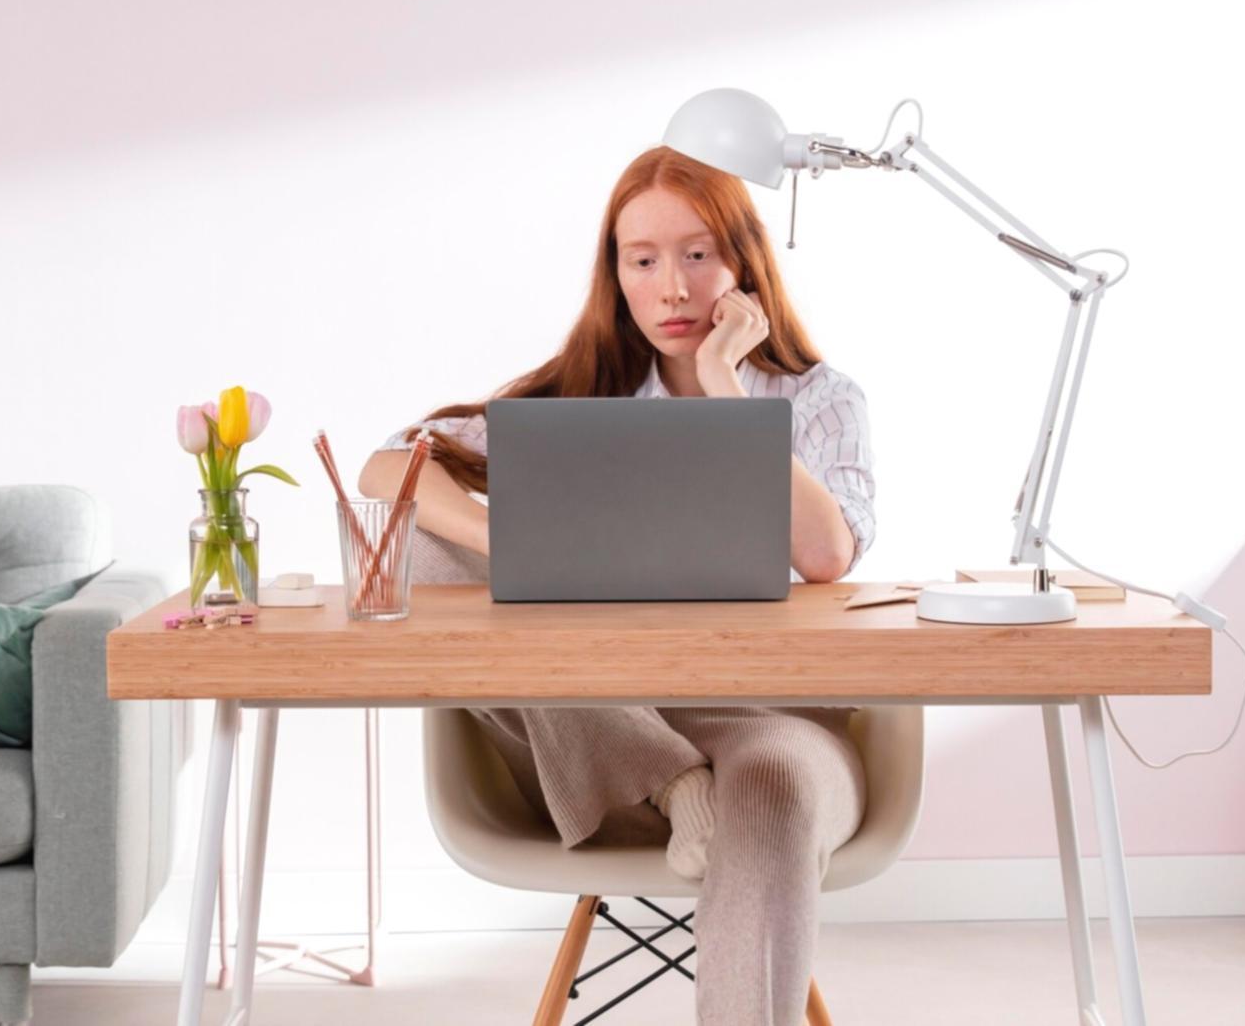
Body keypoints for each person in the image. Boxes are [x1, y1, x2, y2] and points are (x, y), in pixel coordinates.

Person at [359, 145, 876, 1026]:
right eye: (643, 261)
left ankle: (686, 784)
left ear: (744, 266)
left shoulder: (822, 399)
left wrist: (725, 387)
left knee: (772, 789)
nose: (673, 288)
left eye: (698, 254)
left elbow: (828, 555)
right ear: (617, 276)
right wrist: (508, 542)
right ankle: (671, 779)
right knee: (425, 543)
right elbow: (385, 468)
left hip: (777, 720)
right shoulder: (579, 399)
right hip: (609, 719)